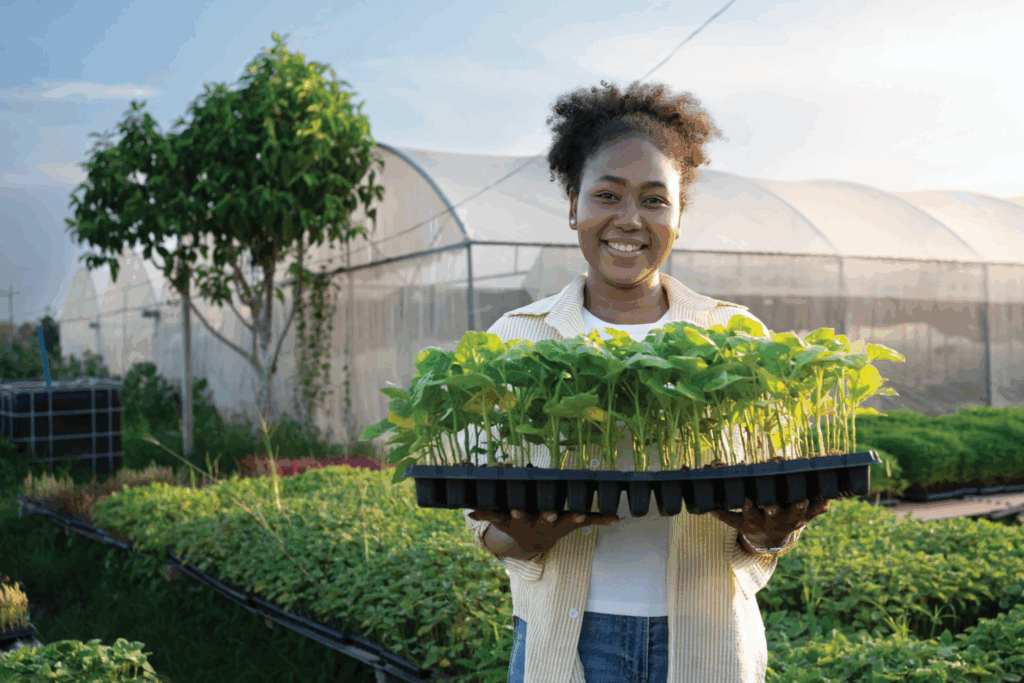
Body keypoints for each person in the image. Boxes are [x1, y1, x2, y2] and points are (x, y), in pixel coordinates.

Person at [464, 81, 831, 683]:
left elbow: (775, 502)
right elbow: (483, 518)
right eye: (607, 195)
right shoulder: (517, 338)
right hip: (567, 639)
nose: (629, 220)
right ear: (574, 205)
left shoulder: (735, 335)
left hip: (709, 638)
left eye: (655, 200)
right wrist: (521, 539)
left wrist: (771, 535)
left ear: (680, 216)